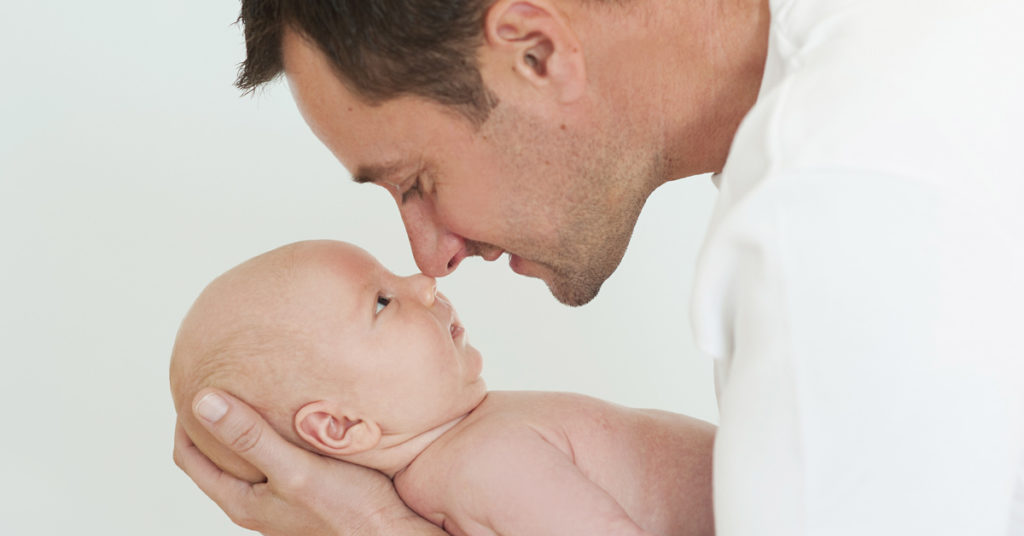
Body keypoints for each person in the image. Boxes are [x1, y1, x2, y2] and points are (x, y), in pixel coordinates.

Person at [173, 0, 1024, 534]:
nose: (432, 257)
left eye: (418, 182)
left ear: (536, 52)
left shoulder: (829, 213)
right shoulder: (903, 43)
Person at [170, 240, 715, 536]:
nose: (423, 284)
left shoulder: (463, 461)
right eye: (382, 301)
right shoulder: (480, 465)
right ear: (340, 426)